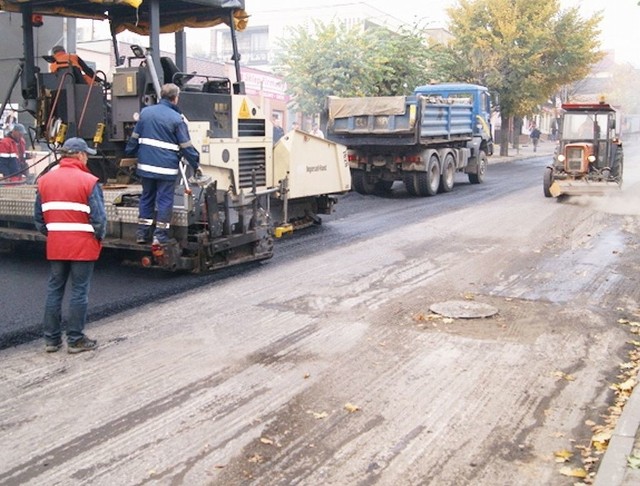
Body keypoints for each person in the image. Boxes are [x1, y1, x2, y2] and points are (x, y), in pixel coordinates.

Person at [34, 137, 107, 354]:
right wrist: (98, 238)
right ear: (80, 155)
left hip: (57, 245)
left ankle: (51, 340)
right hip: (82, 246)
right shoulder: (89, 181)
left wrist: (55, 234)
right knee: (79, 291)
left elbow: (39, 218)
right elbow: (100, 219)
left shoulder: (44, 180)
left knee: (54, 289)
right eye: (86, 155)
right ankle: (75, 339)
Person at [125, 83, 200, 245]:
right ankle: (159, 236)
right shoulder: (177, 119)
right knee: (164, 200)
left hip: (145, 168)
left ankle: (142, 234)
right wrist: (196, 163)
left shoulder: (145, 113)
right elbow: (186, 147)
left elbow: (134, 138)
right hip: (166, 169)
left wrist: (129, 152)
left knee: (146, 198)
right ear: (175, 98)